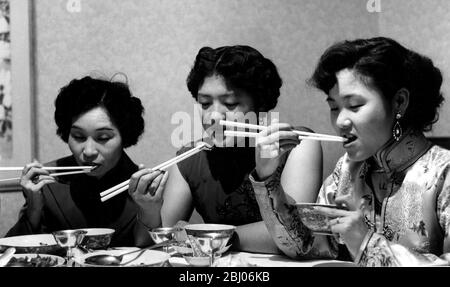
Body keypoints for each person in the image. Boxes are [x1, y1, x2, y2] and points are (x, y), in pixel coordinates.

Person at [249, 37, 450, 266]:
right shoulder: (348, 169)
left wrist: (365, 242)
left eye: (354, 105)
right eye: (334, 107)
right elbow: (308, 247)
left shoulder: (443, 173)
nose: (340, 121)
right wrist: (267, 179)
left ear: (399, 102)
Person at [133, 45, 323, 253]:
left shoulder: (296, 144)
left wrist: (201, 234)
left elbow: (294, 238)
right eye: (205, 103)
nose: (213, 116)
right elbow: (159, 242)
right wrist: (148, 209)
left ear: (259, 105)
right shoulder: (190, 158)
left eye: (230, 103)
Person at [6, 75, 165, 247]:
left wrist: (149, 210)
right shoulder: (48, 181)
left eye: (103, 137)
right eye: (78, 136)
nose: (88, 151)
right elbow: (10, 254)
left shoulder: (142, 187)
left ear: (124, 136)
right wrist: (34, 209)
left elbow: (150, 254)